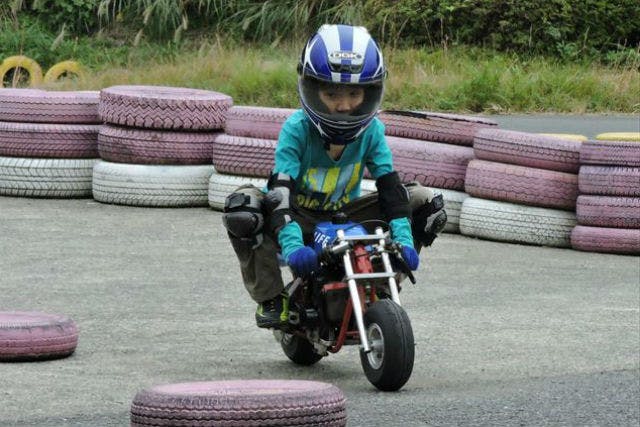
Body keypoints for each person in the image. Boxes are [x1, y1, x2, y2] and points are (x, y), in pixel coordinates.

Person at [222, 24, 447, 329]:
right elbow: (280, 192)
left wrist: (404, 241)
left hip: (342, 217)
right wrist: (291, 247)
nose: (343, 107)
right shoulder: (296, 129)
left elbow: (391, 189)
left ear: (370, 91)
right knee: (242, 207)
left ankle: (381, 283)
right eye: (332, 94)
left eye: (354, 94)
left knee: (425, 201)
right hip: (296, 218)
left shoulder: (372, 132)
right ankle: (272, 298)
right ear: (312, 89)